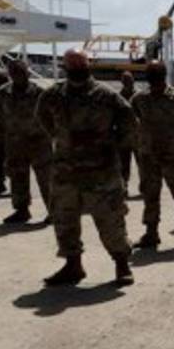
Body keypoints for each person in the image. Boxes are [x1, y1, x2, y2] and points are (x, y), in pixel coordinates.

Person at [35, 50, 135, 285]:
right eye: (72, 64)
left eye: (81, 63)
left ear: (88, 65)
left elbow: (129, 125)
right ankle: (73, 265)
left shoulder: (106, 96)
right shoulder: (53, 95)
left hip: (101, 171)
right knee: (64, 219)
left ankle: (122, 264)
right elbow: (42, 118)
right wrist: (60, 139)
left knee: (111, 220)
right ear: (65, 67)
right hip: (66, 171)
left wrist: (111, 148)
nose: (77, 67)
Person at [131, 61, 174, 250]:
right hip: (148, 157)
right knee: (150, 196)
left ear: (163, 75)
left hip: (172, 156)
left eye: (156, 74)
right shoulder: (140, 98)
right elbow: (131, 119)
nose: (153, 78)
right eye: (150, 74)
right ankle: (151, 234)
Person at [0, 57, 53, 225]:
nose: (17, 75)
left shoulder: (40, 93)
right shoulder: (3, 92)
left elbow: (52, 117)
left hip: (39, 143)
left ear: (27, 73)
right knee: (18, 178)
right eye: (13, 72)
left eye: (21, 72)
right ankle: (21, 210)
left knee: (46, 179)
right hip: (15, 143)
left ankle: (54, 211)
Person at [118, 71, 137, 191]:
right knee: (124, 164)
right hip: (124, 136)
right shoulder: (118, 97)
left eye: (129, 80)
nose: (128, 83)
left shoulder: (139, 96)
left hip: (137, 135)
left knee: (143, 163)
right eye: (125, 80)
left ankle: (145, 187)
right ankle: (124, 186)